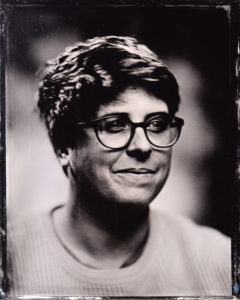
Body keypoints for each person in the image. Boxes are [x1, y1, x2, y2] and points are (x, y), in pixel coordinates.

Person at [8, 35, 231, 296]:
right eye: (115, 125)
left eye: (157, 124)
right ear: (64, 146)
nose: (143, 146)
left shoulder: (221, 261)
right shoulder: (10, 259)